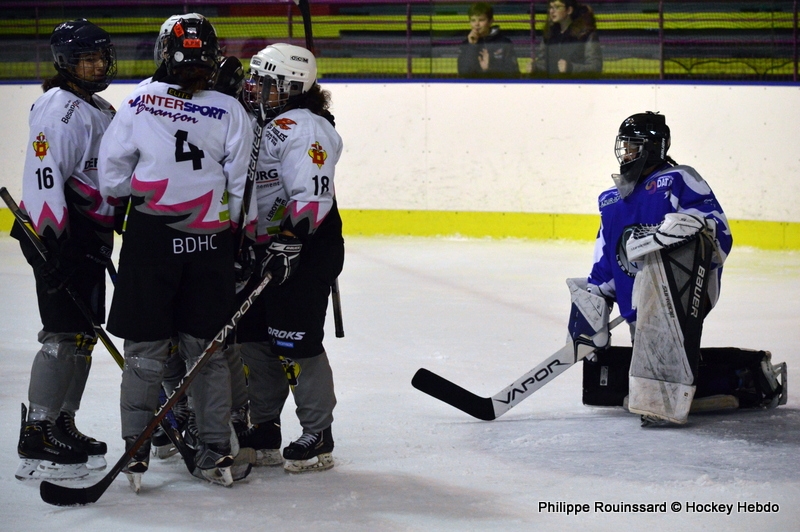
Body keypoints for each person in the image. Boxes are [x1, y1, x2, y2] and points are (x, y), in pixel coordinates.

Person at [98, 15, 256, 490]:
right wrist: (232, 236)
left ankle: (136, 446)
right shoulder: (230, 109)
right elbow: (240, 188)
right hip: (209, 243)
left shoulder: (137, 102)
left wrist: (147, 200)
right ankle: (214, 449)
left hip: (150, 241)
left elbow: (111, 178)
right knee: (206, 352)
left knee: (145, 349)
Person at [568, 112, 785, 427]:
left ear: (654, 147)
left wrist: (694, 225)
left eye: (634, 145)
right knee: (659, 370)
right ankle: (748, 374)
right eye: (624, 145)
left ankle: (740, 378)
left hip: (679, 293)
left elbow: (718, 231)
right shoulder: (611, 200)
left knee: (667, 365)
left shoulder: (679, 179)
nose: (626, 152)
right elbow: (606, 258)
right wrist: (594, 302)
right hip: (634, 302)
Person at [12, 19, 117, 481]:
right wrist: (49, 244)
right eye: (85, 58)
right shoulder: (59, 108)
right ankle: (37, 430)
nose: (95, 64)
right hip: (60, 239)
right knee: (60, 335)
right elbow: (44, 174)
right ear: (64, 63)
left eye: (100, 56)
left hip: (89, 237)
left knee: (83, 335)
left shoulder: (100, 107)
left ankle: (62, 423)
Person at [235, 43, 344, 473]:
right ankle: (264, 428)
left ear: (293, 87)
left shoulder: (306, 127)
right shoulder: (261, 120)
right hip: (263, 247)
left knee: (295, 342)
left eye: (266, 81)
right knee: (255, 341)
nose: (255, 86)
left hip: (303, 248)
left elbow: (313, 194)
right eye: (254, 77)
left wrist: (289, 242)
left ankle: (318, 434)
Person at [531, 0, 602, 76]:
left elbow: (595, 67)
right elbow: (544, 62)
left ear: (569, 10)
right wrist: (536, 67)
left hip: (577, 85)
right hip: (552, 85)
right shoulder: (549, 34)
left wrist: (571, 68)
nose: (551, 11)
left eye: (557, 7)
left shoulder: (585, 34)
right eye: (550, 7)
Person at [457, 2, 519, 79]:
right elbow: (463, 73)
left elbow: (513, 74)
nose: (476, 24)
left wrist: (489, 68)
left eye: (481, 20)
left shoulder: (503, 42)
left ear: (491, 21)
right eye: (473, 20)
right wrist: (472, 46)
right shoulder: (466, 44)